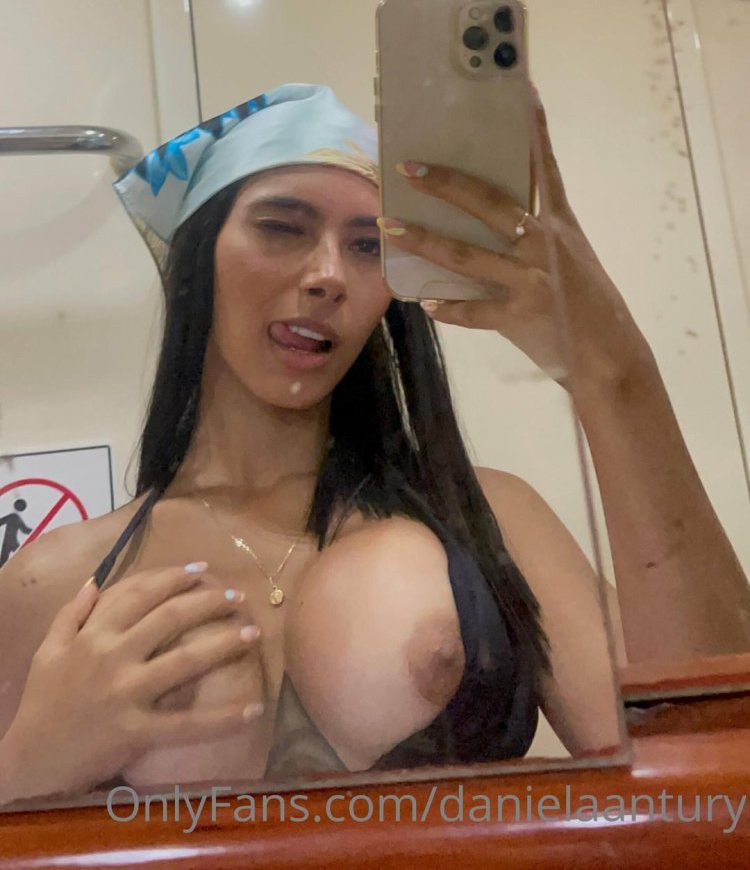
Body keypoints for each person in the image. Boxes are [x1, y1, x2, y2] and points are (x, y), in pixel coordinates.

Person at [0, 82, 748, 804]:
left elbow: (720, 760)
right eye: (282, 227)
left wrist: (615, 375)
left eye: (367, 246)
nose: (329, 274)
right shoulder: (54, 579)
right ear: (198, 258)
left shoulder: (492, 518)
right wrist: (29, 767)